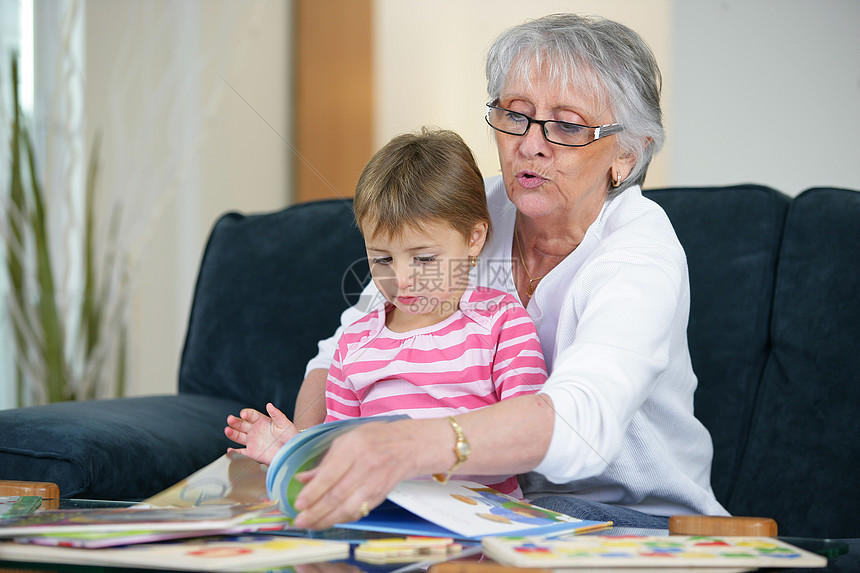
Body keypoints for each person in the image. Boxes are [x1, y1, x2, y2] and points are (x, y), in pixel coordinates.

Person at [283, 13, 730, 531]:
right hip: (492, 506)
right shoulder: (471, 211)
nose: (530, 144)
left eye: (568, 125)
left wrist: (405, 445)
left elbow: (580, 425)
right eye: (516, 115)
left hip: (634, 521)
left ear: (625, 157)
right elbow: (345, 346)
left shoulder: (638, 252)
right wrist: (306, 477)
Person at [225, 127, 548, 498]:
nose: (402, 280)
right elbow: (340, 458)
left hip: (477, 526)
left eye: (424, 258)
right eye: (382, 259)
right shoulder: (354, 344)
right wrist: (295, 449)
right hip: (381, 525)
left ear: (474, 238)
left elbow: (528, 442)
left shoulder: (503, 324)